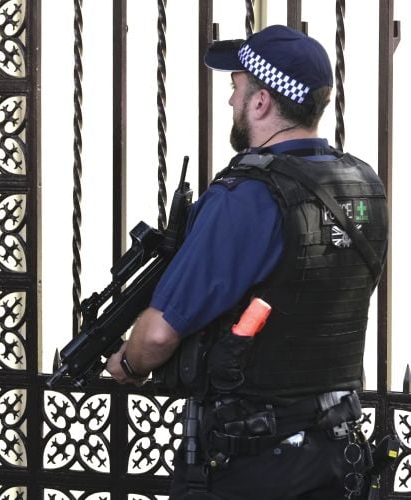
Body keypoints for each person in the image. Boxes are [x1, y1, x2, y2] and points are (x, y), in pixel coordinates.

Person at [106, 25, 388, 499]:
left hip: (252, 460)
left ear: (260, 102)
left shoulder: (247, 196)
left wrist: (130, 363)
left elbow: (157, 334)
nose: (230, 101)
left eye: (236, 88)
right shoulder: (364, 185)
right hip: (337, 453)